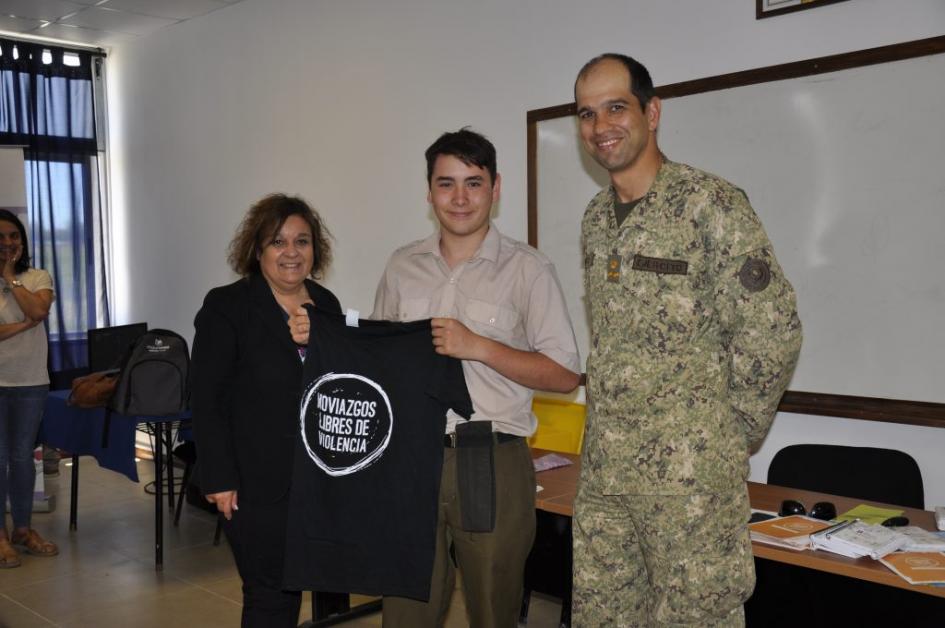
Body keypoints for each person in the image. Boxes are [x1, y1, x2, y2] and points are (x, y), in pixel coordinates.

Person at [571, 54, 803, 626]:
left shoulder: (712, 205)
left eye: (616, 107)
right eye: (586, 113)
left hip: (690, 489)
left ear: (652, 112)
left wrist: (724, 433)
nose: (600, 126)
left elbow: (772, 331)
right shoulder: (596, 218)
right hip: (606, 478)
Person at [372, 128, 581, 627]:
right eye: (446, 184)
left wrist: (479, 347)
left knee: (493, 609)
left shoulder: (528, 269)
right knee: (405, 610)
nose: (460, 198)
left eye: (473, 182)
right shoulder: (402, 266)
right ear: (428, 192)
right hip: (412, 458)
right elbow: (377, 366)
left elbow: (564, 374)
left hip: (491, 457)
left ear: (496, 187)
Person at [191, 194, 341, 627]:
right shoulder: (227, 306)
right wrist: (219, 477)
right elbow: (207, 398)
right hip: (254, 484)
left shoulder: (327, 306)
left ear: (316, 249)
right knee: (270, 593)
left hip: (318, 480)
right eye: (278, 242)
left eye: (302, 241)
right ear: (257, 250)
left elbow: (343, 387)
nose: (291, 252)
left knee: (296, 584)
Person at [0, 209, 58, 568]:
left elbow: (38, 310)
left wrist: (9, 277)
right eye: (1, 238)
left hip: (30, 380)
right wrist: (25, 324)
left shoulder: (38, 276)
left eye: (14, 237)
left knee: (22, 458)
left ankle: (22, 529)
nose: (8, 243)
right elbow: (33, 318)